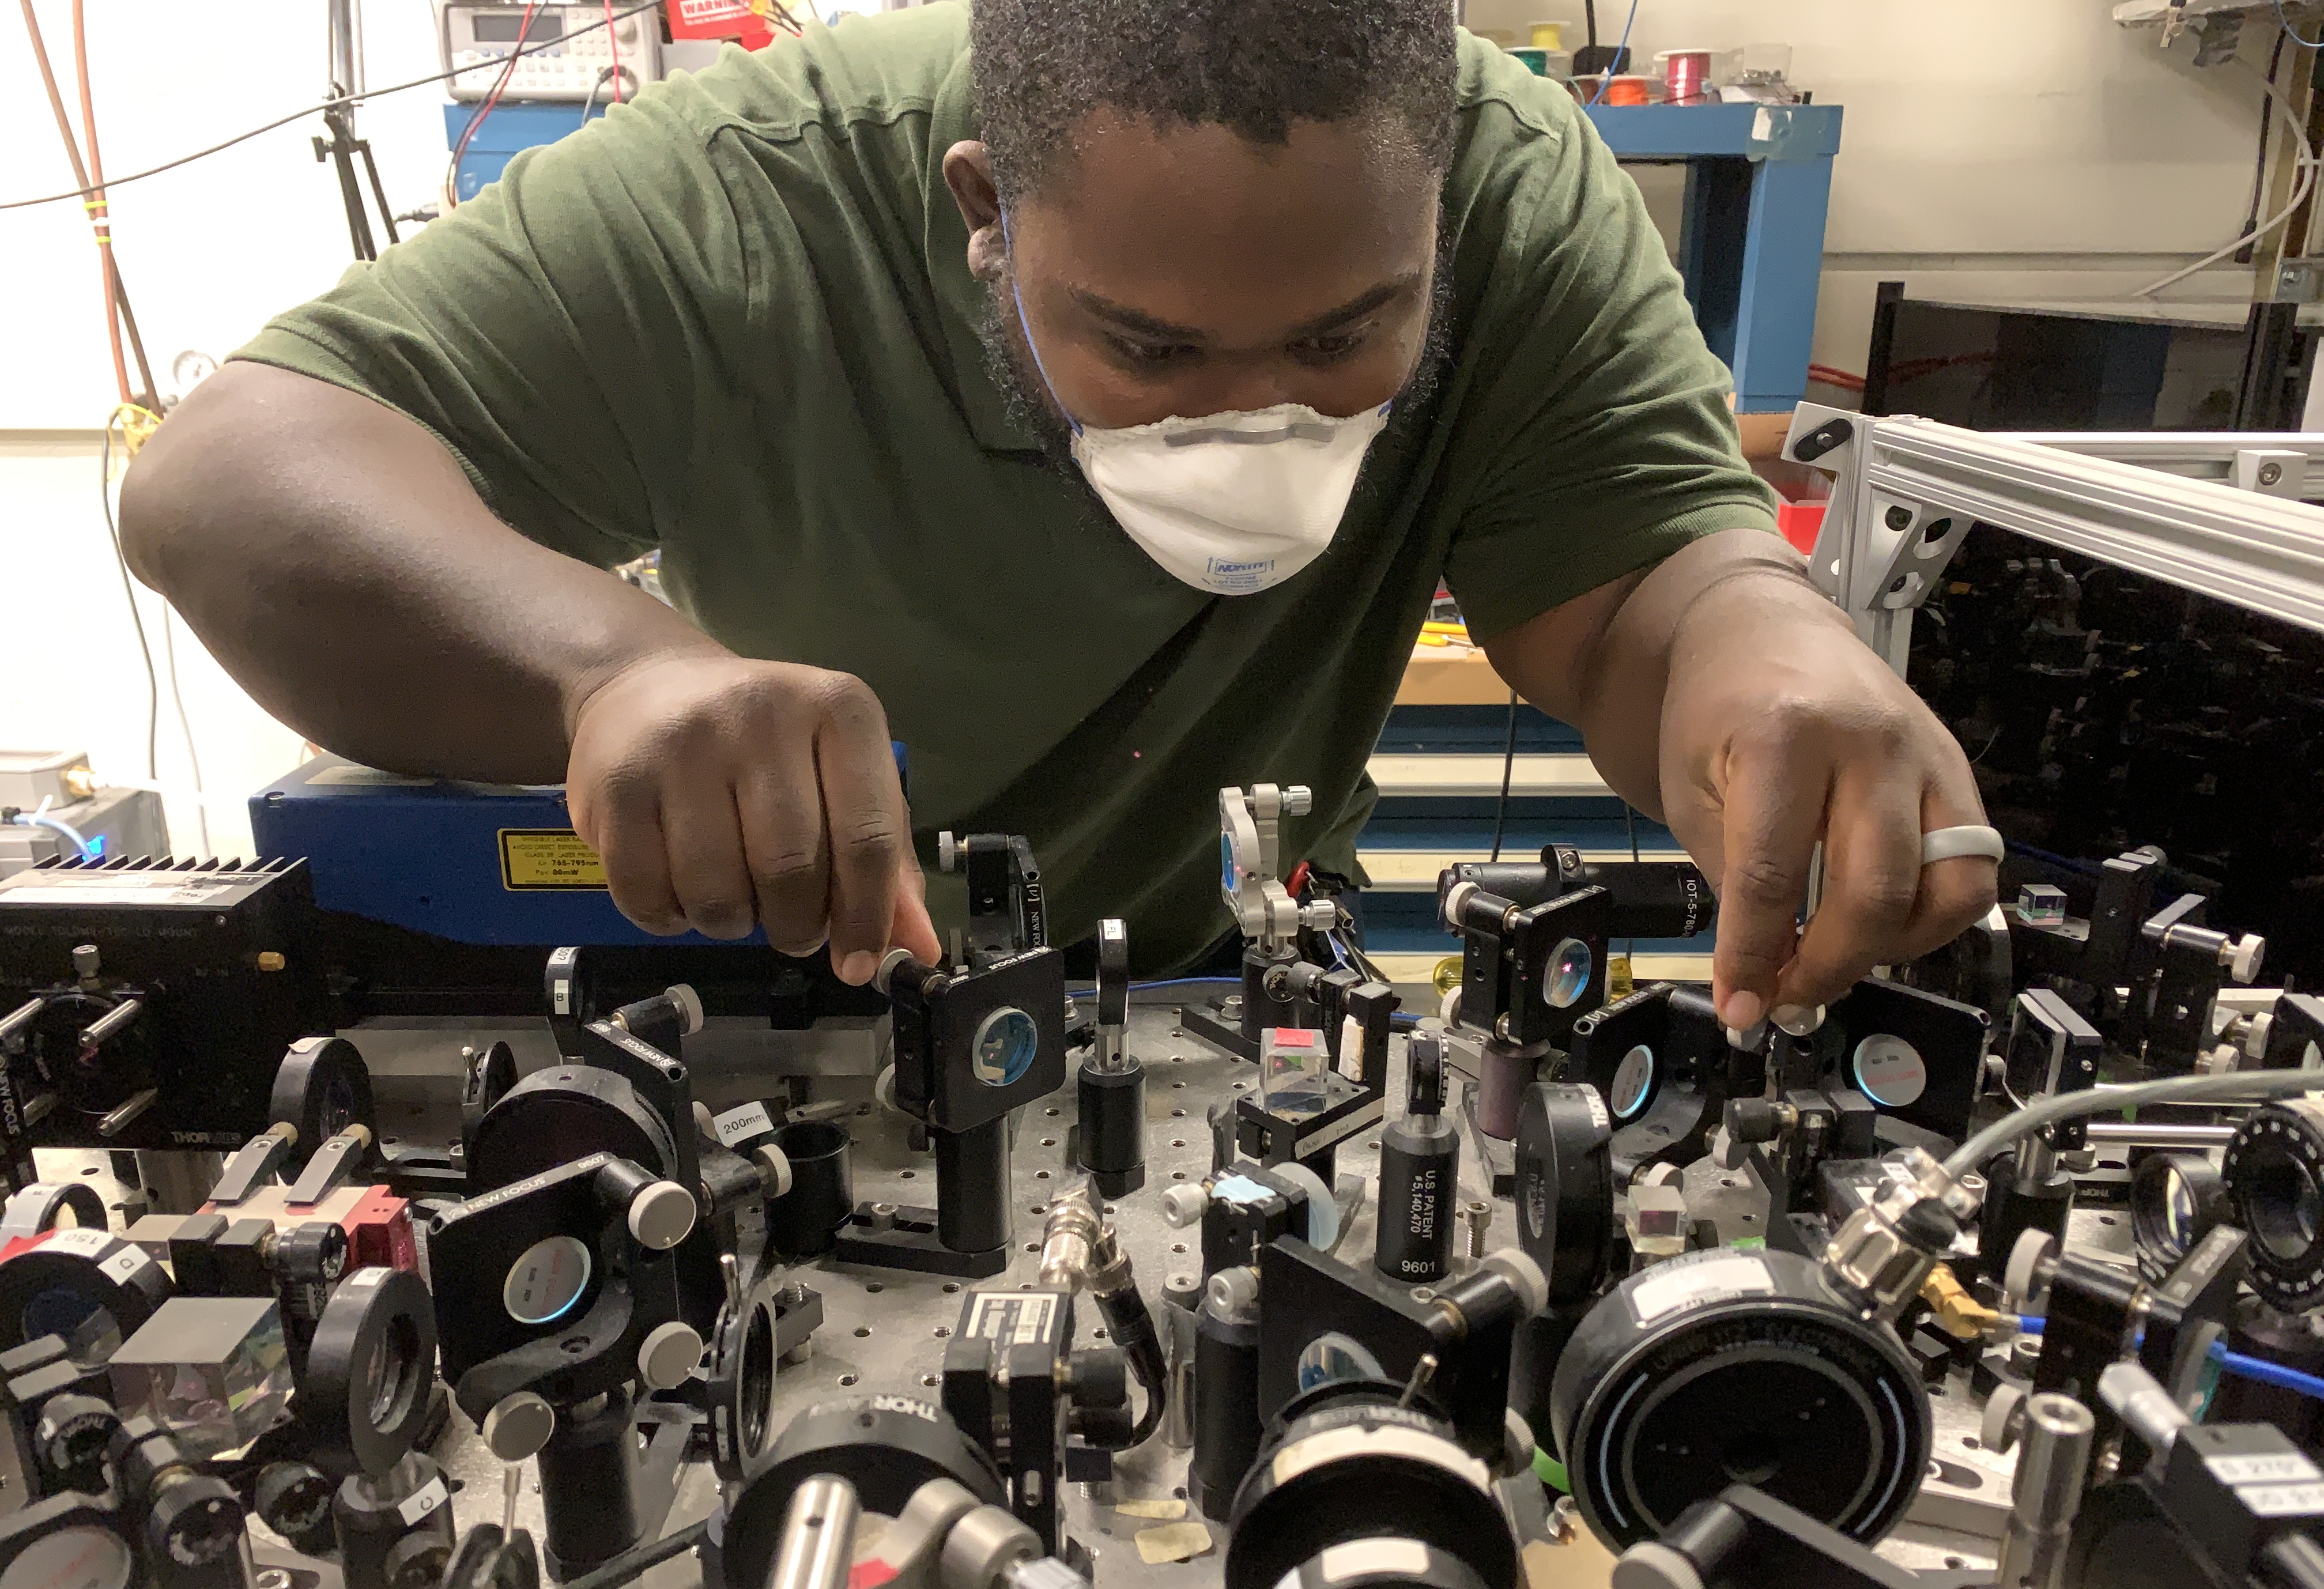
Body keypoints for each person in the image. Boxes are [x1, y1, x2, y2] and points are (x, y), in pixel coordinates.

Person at [122, 0, 1993, 1033]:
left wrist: (1772, 647)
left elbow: (1637, 597)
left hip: (1227, 989)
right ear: (980, 209)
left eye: (1351, 334)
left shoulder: (1508, 180)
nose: (1251, 415)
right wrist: (607, 668)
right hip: (808, 999)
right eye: (1147, 346)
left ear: (1438, 219)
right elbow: (224, 480)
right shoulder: (755, 198)